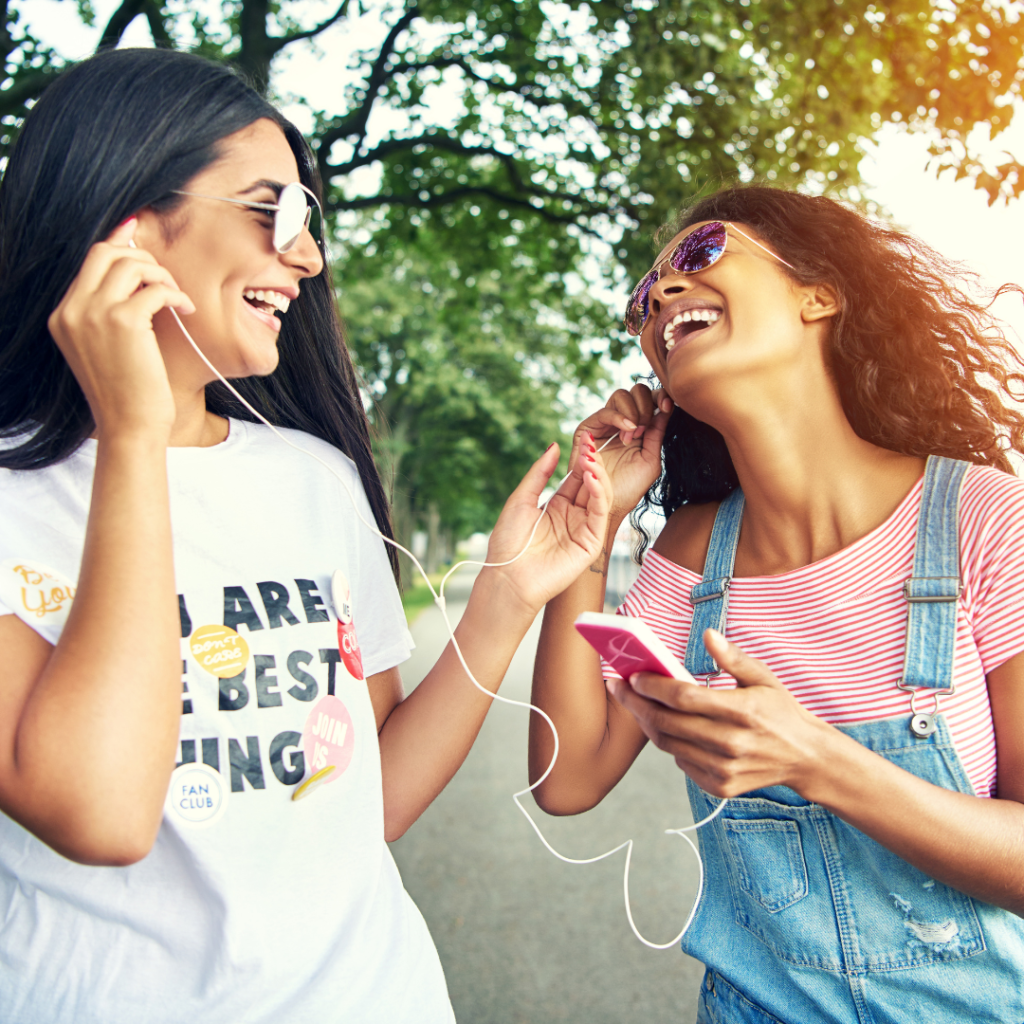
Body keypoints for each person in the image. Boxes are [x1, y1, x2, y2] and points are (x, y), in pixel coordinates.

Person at [0, 48, 610, 1023]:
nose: (309, 258)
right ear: (128, 228)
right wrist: (132, 436)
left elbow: (359, 805)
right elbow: (103, 812)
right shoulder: (15, 503)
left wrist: (505, 594)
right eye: (271, 211)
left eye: (310, 223)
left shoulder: (313, 480)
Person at [530, 185, 1024, 1023]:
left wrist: (817, 761)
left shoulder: (986, 519)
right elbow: (564, 777)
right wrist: (596, 526)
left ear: (818, 292)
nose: (660, 299)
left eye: (696, 255)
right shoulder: (689, 557)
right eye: (641, 304)